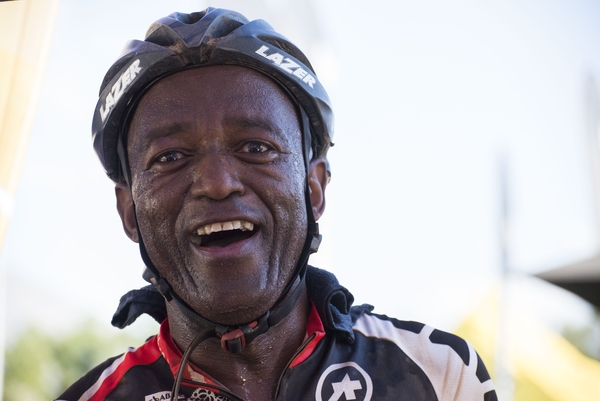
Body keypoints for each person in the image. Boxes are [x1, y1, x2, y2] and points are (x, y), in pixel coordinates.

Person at [56, 8, 497, 401]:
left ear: (315, 187)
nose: (217, 183)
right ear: (129, 210)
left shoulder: (438, 377)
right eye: (170, 157)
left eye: (255, 146)